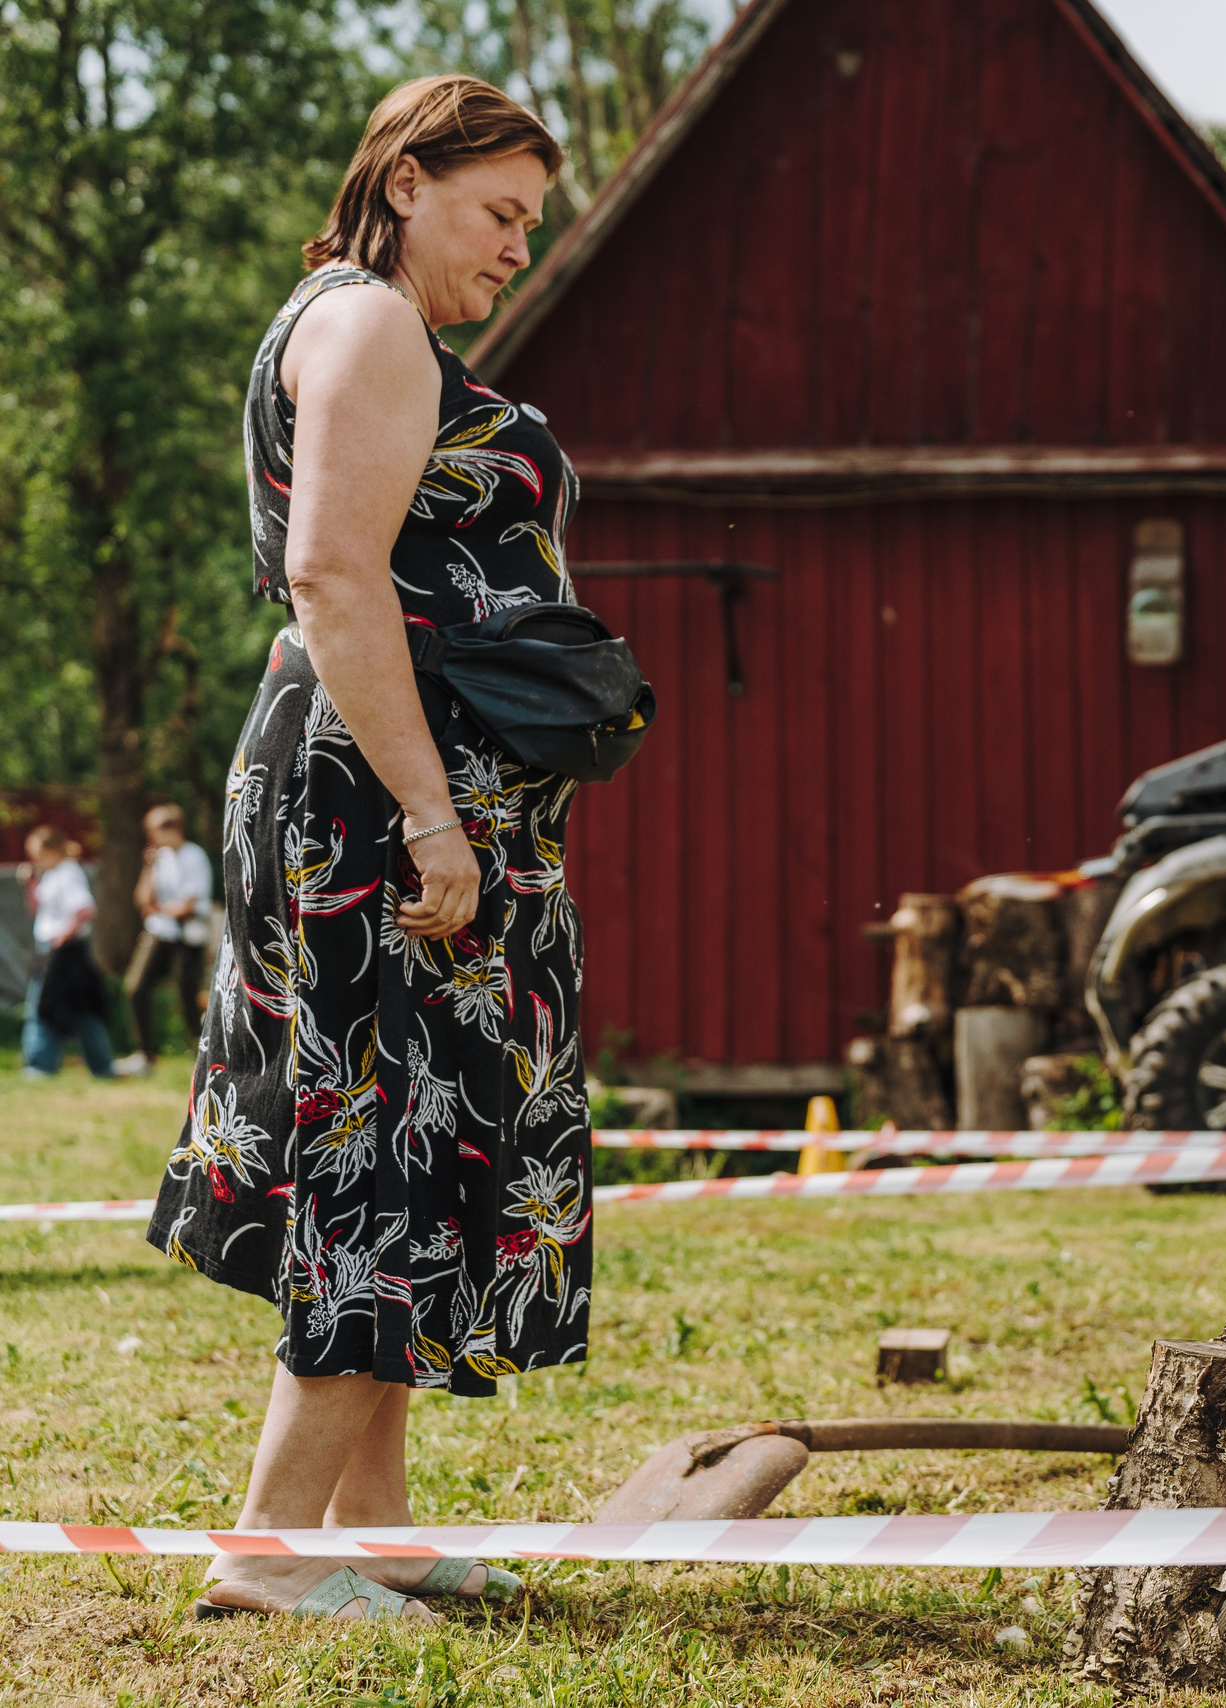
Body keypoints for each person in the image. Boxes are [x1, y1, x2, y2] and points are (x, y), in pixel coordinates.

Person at [145, 75, 589, 1624]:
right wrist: (430, 813)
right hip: (373, 803)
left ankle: (374, 1526)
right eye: (498, 210)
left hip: (388, 790)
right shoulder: (368, 326)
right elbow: (334, 578)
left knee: (427, 1128)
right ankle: (268, 1552)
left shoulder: (361, 326)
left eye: (532, 221)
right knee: (378, 1137)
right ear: (404, 180)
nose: (518, 245)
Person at [18, 826, 121, 1079]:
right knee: (83, 1009)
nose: (34, 859)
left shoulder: (68, 872)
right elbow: (38, 909)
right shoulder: (50, 874)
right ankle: (102, 1066)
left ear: (52, 850)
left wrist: (61, 939)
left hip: (63, 950)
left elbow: (84, 910)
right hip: (56, 949)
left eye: (37, 853)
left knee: (42, 1007)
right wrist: (30, 882)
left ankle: (39, 1066)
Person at [122, 803, 214, 1071]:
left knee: (188, 993)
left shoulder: (193, 856)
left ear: (173, 828)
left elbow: (188, 905)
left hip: (187, 935)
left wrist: (159, 908)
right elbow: (142, 899)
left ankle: (203, 1052)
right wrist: (149, 867)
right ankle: (145, 1053)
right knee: (136, 986)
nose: (152, 836)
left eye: (155, 830)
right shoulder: (160, 858)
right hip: (161, 932)